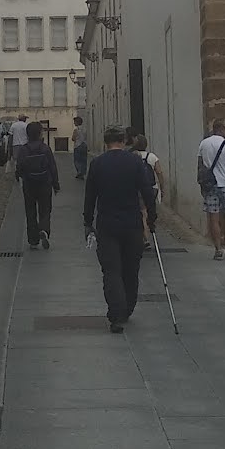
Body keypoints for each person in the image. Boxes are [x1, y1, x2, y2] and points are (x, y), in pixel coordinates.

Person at [83, 124, 158, 332]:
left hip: (107, 224)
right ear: (124, 141)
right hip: (132, 223)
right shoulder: (135, 162)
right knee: (131, 269)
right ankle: (127, 308)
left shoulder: (97, 164)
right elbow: (147, 191)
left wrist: (88, 222)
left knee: (111, 270)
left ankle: (116, 313)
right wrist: (152, 217)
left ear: (105, 142)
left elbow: (90, 196)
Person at [196, 120, 225, 260]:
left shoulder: (203, 144)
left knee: (213, 218)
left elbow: (200, 165)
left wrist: (201, 184)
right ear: (221, 129)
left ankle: (218, 249)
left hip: (210, 185)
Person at [15, 120, 60, 250]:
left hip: (29, 184)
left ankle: (33, 240)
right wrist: (56, 184)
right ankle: (44, 229)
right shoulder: (45, 149)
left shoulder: (24, 150)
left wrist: (20, 176)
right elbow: (52, 167)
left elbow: (19, 166)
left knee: (30, 211)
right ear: (40, 133)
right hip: (45, 183)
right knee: (45, 209)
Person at [132, 133, 164, 250]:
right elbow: (159, 173)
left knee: (142, 213)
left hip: (139, 189)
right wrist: (162, 188)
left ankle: (145, 239)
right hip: (152, 188)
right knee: (149, 211)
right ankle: (150, 228)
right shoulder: (152, 157)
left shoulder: (133, 156)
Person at [72, 114, 88, 181]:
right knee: (84, 160)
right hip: (84, 145)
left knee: (77, 160)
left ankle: (79, 171)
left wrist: (74, 138)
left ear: (77, 122)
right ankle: (83, 173)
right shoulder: (85, 129)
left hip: (78, 146)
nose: (74, 123)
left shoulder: (76, 130)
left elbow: (73, 138)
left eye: (74, 122)